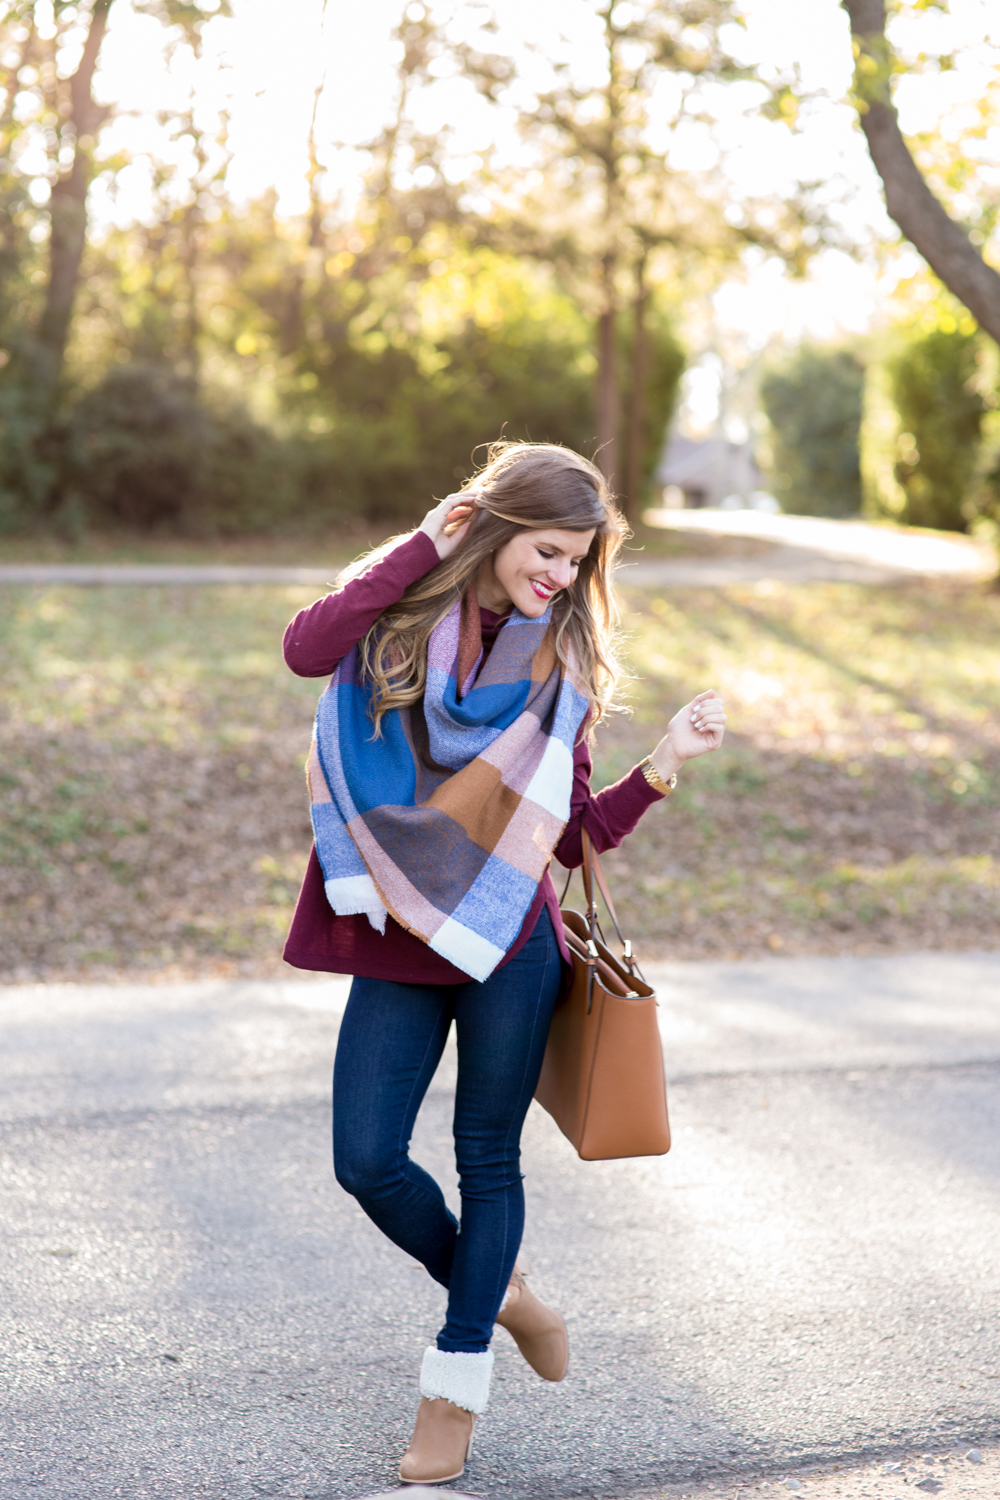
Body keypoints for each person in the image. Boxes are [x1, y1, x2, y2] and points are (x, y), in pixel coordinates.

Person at [282, 441, 726, 1484]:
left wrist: (659, 769)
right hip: (395, 931)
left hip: (508, 942)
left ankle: (455, 1382)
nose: (560, 577)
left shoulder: (556, 670)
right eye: (547, 551)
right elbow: (306, 649)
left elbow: (563, 838)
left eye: (576, 562)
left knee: (488, 1162)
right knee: (366, 1160)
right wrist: (417, 548)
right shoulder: (395, 620)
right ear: (492, 525)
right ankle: (503, 1293)